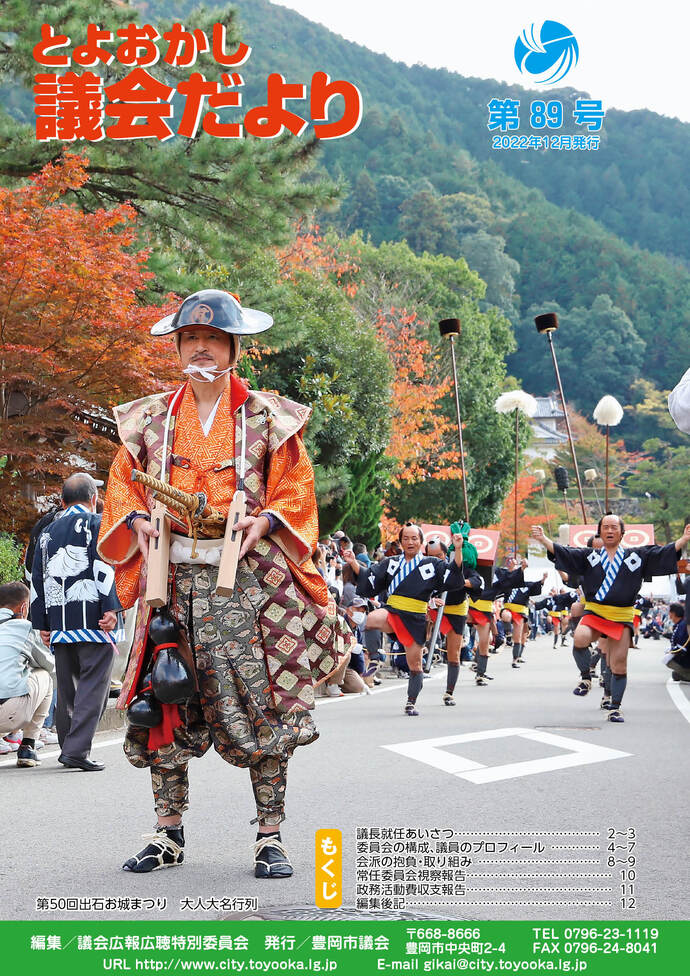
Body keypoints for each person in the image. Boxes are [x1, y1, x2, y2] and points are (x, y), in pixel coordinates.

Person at [96, 289, 350, 877]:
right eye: (191, 338)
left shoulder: (269, 417)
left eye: (212, 339)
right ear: (178, 346)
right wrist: (134, 518)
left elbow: (295, 490)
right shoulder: (147, 419)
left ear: (235, 347)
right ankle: (167, 832)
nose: (201, 348)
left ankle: (269, 834)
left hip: (250, 580)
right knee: (162, 699)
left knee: (264, 703)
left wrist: (265, 517)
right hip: (172, 574)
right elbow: (122, 487)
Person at [531, 515, 690, 722]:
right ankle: (586, 678)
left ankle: (615, 707)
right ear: (600, 531)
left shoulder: (637, 555)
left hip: (621, 615)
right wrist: (544, 540)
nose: (609, 530)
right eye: (605, 527)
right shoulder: (590, 556)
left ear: (622, 533)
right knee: (580, 637)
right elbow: (566, 553)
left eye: (614, 527)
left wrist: (684, 539)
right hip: (595, 611)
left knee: (619, 664)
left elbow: (661, 554)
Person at [30, 473, 121, 770]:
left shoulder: (47, 531)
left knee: (67, 687)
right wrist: (111, 608)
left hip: (58, 620)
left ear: (62, 499)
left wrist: (41, 621)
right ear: (93, 498)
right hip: (94, 618)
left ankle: (69, 743)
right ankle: (77, 750)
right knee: (94, 685)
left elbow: (38, 579)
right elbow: (103, 565)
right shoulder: (97, 524)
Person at [343, 522, 467, 715]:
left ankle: (411, 702)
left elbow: (453, 573)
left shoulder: (431, 564)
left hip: (416, 617)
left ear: (421, 541)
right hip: (393, 610)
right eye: (406, 538)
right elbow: (370, 577)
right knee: (370, 619)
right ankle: (374, 656)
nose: (410, 542)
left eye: (414, 538)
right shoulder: (391, 562)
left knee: (415, 665)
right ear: (400, 542)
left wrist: (458, 549)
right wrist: (352, 562)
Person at [0, 582, 55, 767]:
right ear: (24, 607)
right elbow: (48, 664)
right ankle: (28, 747)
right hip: (8, 714)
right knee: (44, 676)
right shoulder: (24, 627)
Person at [425, 534, 483, 704]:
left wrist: (457, 581)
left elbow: (477, 582)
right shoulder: (425, 568)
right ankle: (424, 651)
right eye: (431, 557)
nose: (435, 560)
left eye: (439, 556)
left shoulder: (462, 568)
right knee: (420, 623)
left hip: (456, 610)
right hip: (434, 607)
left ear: (446, 555)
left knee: (454, 652)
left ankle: (449, 692)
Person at [467, 558, 529, 686]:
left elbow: (509, 582)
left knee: (485, 641)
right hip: (468, 605)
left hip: (485, 609)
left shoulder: (498, 572)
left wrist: (520, 569)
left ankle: (480, 672)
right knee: (466, 641)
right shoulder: (470, 568)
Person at [501, 571, 547, 667]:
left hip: (521, 612)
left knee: (521, 636)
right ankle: (508, 633)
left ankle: (515, 658)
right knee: (506, 615)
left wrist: (543, 579)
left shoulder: (527, 585)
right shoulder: (508, 584)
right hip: (508, 609)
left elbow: (537, 585)